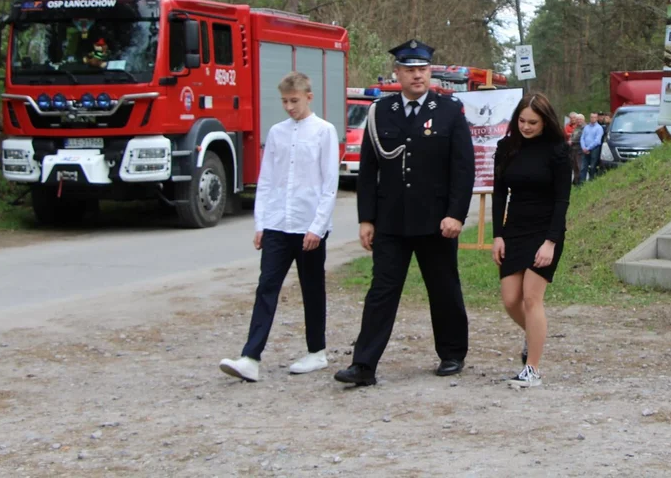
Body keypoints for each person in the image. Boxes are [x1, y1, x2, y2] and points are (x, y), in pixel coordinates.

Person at [335, 39, 475, 387]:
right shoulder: (380, 111)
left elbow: (463, 169)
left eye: (422, 69)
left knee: (443, 288)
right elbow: (368, 170)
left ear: (430, 72)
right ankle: (364, 364)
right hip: (392, 221)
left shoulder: (449, 111)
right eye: (410, 69)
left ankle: (452, 353)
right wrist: (366, 218)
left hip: (436, 221)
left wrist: (456, 214)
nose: (417, 76)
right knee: (381, 291)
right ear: (397, 73)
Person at [220, 71, 339, 382]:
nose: (289, 107)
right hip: (277, 224)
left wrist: (318, 226)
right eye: (285, 101)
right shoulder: (276, 132)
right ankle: (250, 357)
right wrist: (261, 222)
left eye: (295, 101)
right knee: (266, 286)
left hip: (308, 225)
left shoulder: (324, 132)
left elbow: (329, 184)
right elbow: (267, 180)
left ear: (308, 97)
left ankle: (317, 351)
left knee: (312, 289)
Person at [491, 93, 571, 387]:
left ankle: (532, 369)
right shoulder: (506, 148)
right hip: (514, 230)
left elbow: (562, 200)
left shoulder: (558, 151)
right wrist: (497, 235)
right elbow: (500, 194)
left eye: (532, 122)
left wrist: (550, 241)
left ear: (545, 122)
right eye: (521, 121)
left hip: (545, 231)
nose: (525, 126)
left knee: (531, 297)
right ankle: (534, 336)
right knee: (511, 299)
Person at [578, 111, 603, 183]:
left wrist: (588, 148)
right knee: (583, 167)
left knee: (592, 167)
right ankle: (581, 184)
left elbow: (597, 141)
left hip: (594, 149)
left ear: (597, 118)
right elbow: (582, 138)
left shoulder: (599, 128)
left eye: (594, 117)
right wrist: (583, 148)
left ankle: (591, 182)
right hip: (585, 149)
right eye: (591, 117)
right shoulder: (586, 127)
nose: (593, 119)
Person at [568, 113, 585, 185]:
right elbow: (572, 135)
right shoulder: (576, 127)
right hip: (573, 149)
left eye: (580, 119)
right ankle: (576, 181)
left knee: (580, 166)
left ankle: (581, 182)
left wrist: (572, 140)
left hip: (580, 150)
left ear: (583, 120)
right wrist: (570, 139)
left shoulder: (584, 127)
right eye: (577, 119)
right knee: (574, 167)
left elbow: (580, 137)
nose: (578, 121)